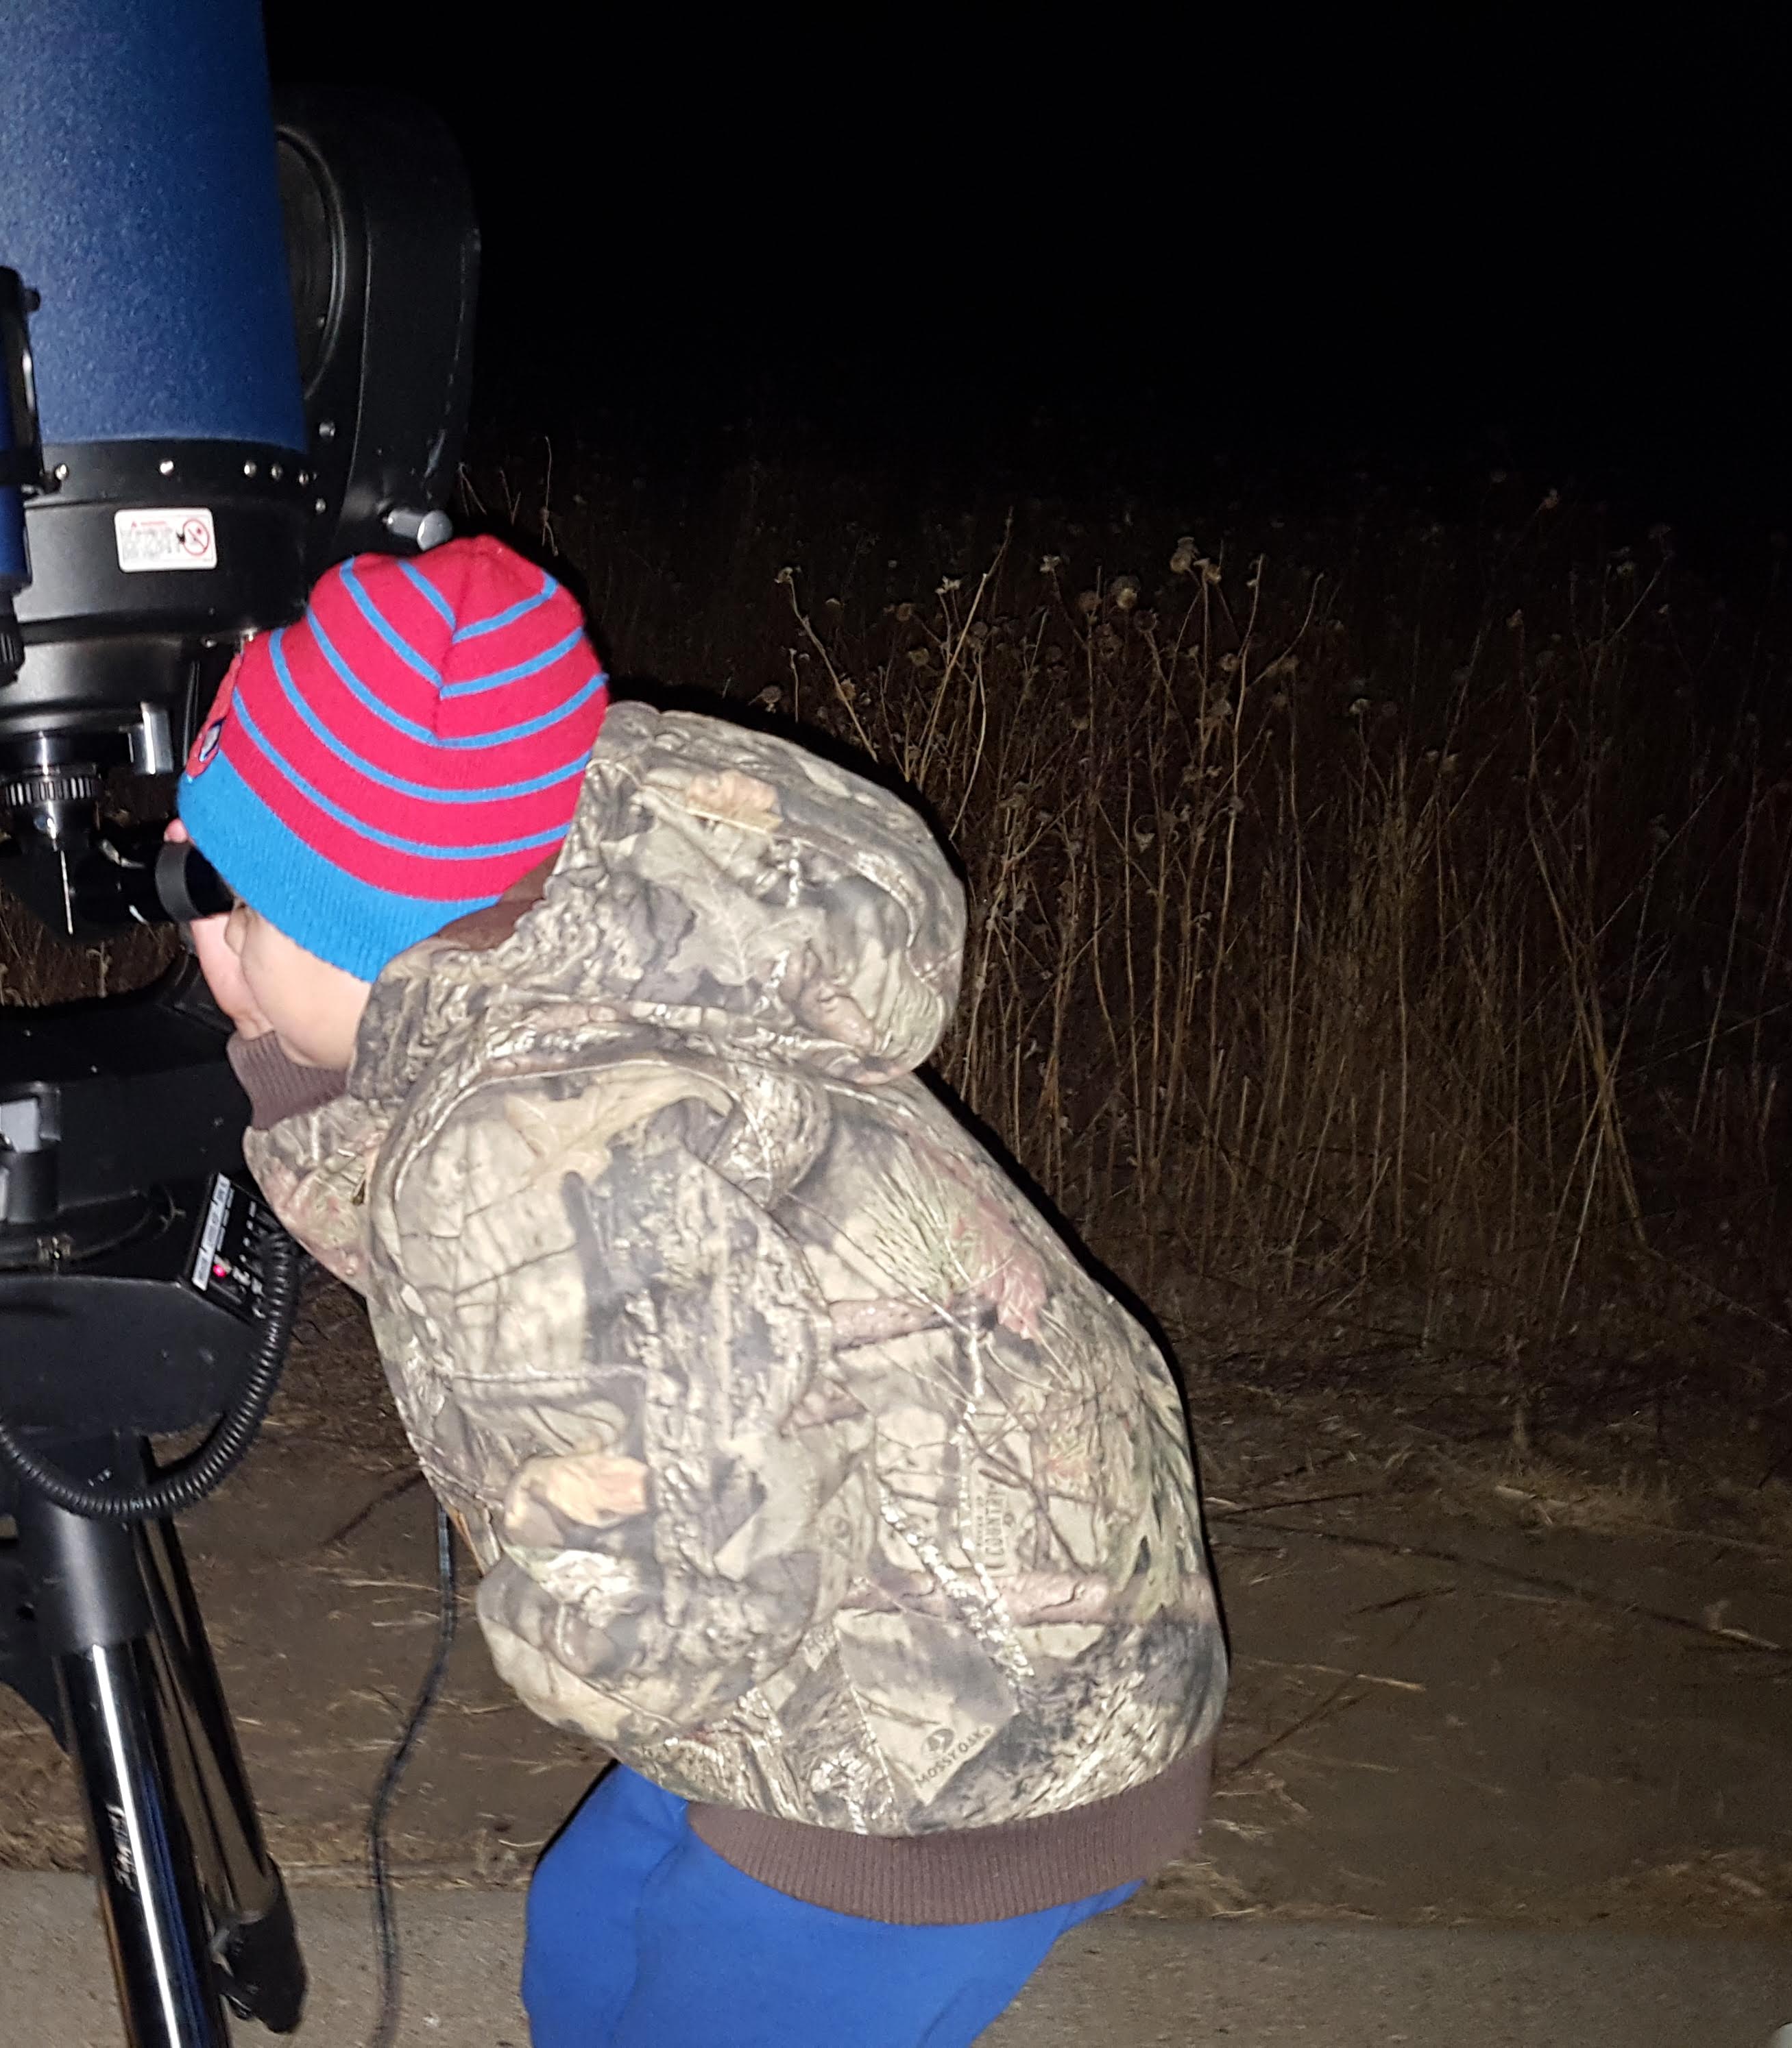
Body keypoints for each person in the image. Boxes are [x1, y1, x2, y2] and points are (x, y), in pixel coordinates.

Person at [169, 535, 1227, 2048]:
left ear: (363, 927)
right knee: (590, 1935)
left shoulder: (525, 1139)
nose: (204, 938)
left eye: (236, 903)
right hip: (932, 1586)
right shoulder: (584, 940)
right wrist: (302, 1068)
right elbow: (493, 1258)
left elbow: (678, 1617)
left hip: (946, 1759)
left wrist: (547, 1589)